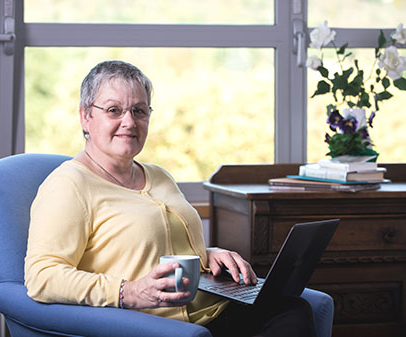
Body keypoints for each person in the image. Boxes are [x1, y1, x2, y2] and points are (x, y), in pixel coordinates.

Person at [24, 60, 317, 337]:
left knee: (291, 310)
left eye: (139, 111)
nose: (129, 122)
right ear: (85, 116)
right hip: (153, 325)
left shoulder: (158, 175)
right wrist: (128, 291)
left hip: (210, 312)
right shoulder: (68, 185)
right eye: (114, 110)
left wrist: (209, 255)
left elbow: (158, 249)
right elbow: (42, 276)